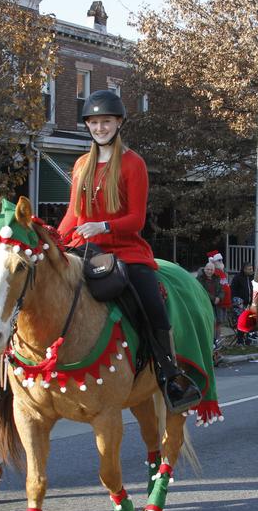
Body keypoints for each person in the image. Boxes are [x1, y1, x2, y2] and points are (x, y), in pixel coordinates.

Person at [58, 89, 201, 413]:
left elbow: (136, 218)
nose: (99, 128)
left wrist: (104, 227)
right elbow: (73, 213)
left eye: (105, 122)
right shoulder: (81, 164)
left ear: (118, 122)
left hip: (125, 250)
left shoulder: (133, 163)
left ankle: (169, 375)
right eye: (94, 122)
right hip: (84, 249)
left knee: (151, 303)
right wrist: (54, 237)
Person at [197, 261, 223, 346]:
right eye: (208, 269)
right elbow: (202, 291)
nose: (209, 271)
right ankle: (208, 340)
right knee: (208, 322)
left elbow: (221, 290)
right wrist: (214, 298)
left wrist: (219, 297)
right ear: (204, 269)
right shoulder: (199, 279)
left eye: (211, 270)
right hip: (205, 304)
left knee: (217, 322)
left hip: (216, 304)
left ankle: (215, 341)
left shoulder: (216, 278)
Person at [230, 264, 254, 345]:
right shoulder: (237, 278)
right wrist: (238, 302)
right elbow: (233, 290)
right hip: (239, 304)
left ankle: (249, 341)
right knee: (242, 321)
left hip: (250, 304)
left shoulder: (252, 278)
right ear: (244, 269)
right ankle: (240, 341)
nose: (251, 270)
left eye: (251, 269)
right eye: (249, 269)